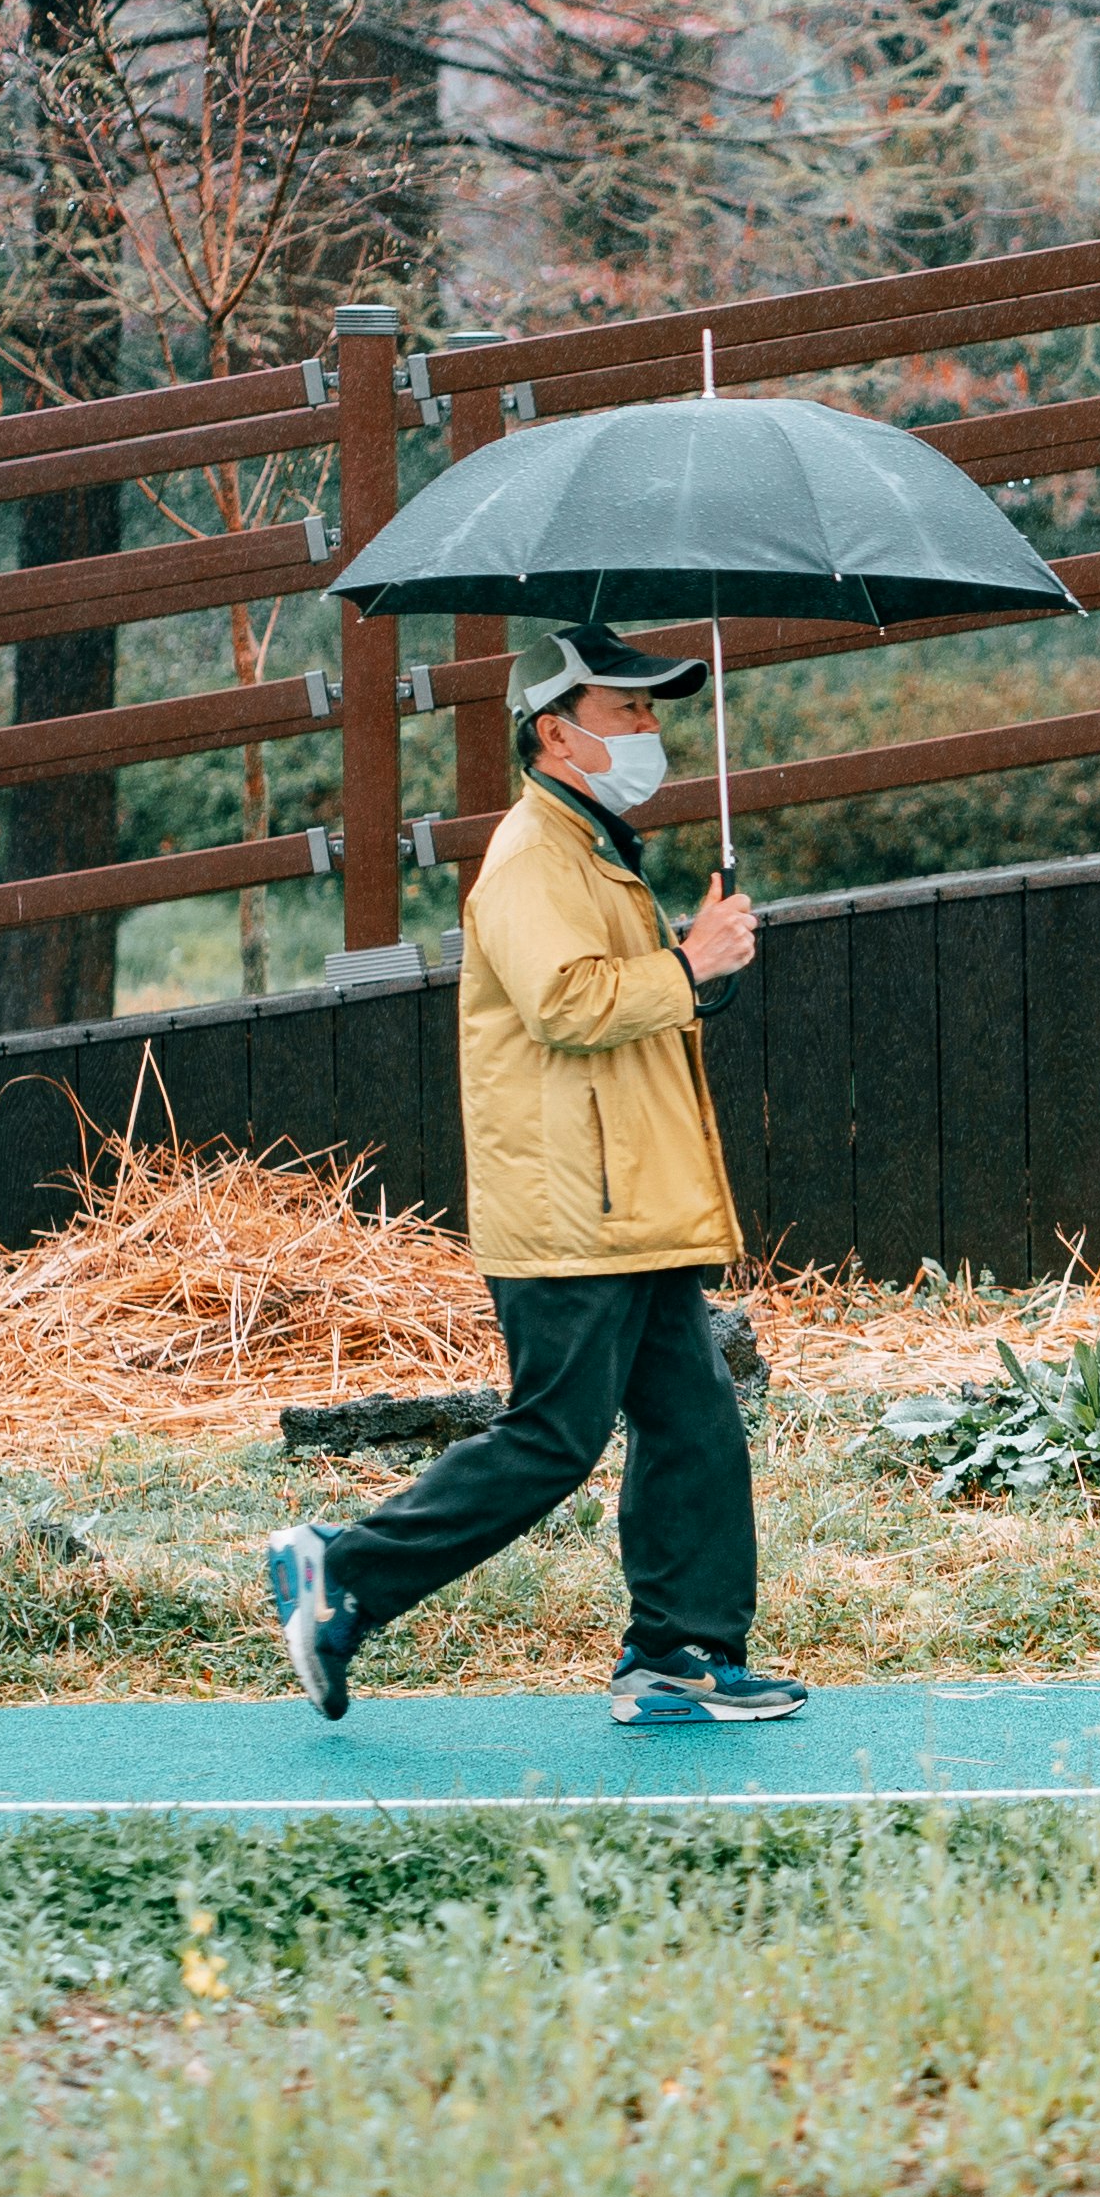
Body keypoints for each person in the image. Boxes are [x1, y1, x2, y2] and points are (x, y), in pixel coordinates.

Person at [265, 624, 800, 1728]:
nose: (651, 731)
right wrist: (687, 965)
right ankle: (345, 1574)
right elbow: (565, 1003)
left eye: (654, 711)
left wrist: (697, 966)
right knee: (554, 1437)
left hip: (628, 1203)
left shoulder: (593, 847)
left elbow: (623, 996)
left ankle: (678, 1655)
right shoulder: (533, 856)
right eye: (628, 711)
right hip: (573, 1208)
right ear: (556, 734)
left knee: (692, 1422)